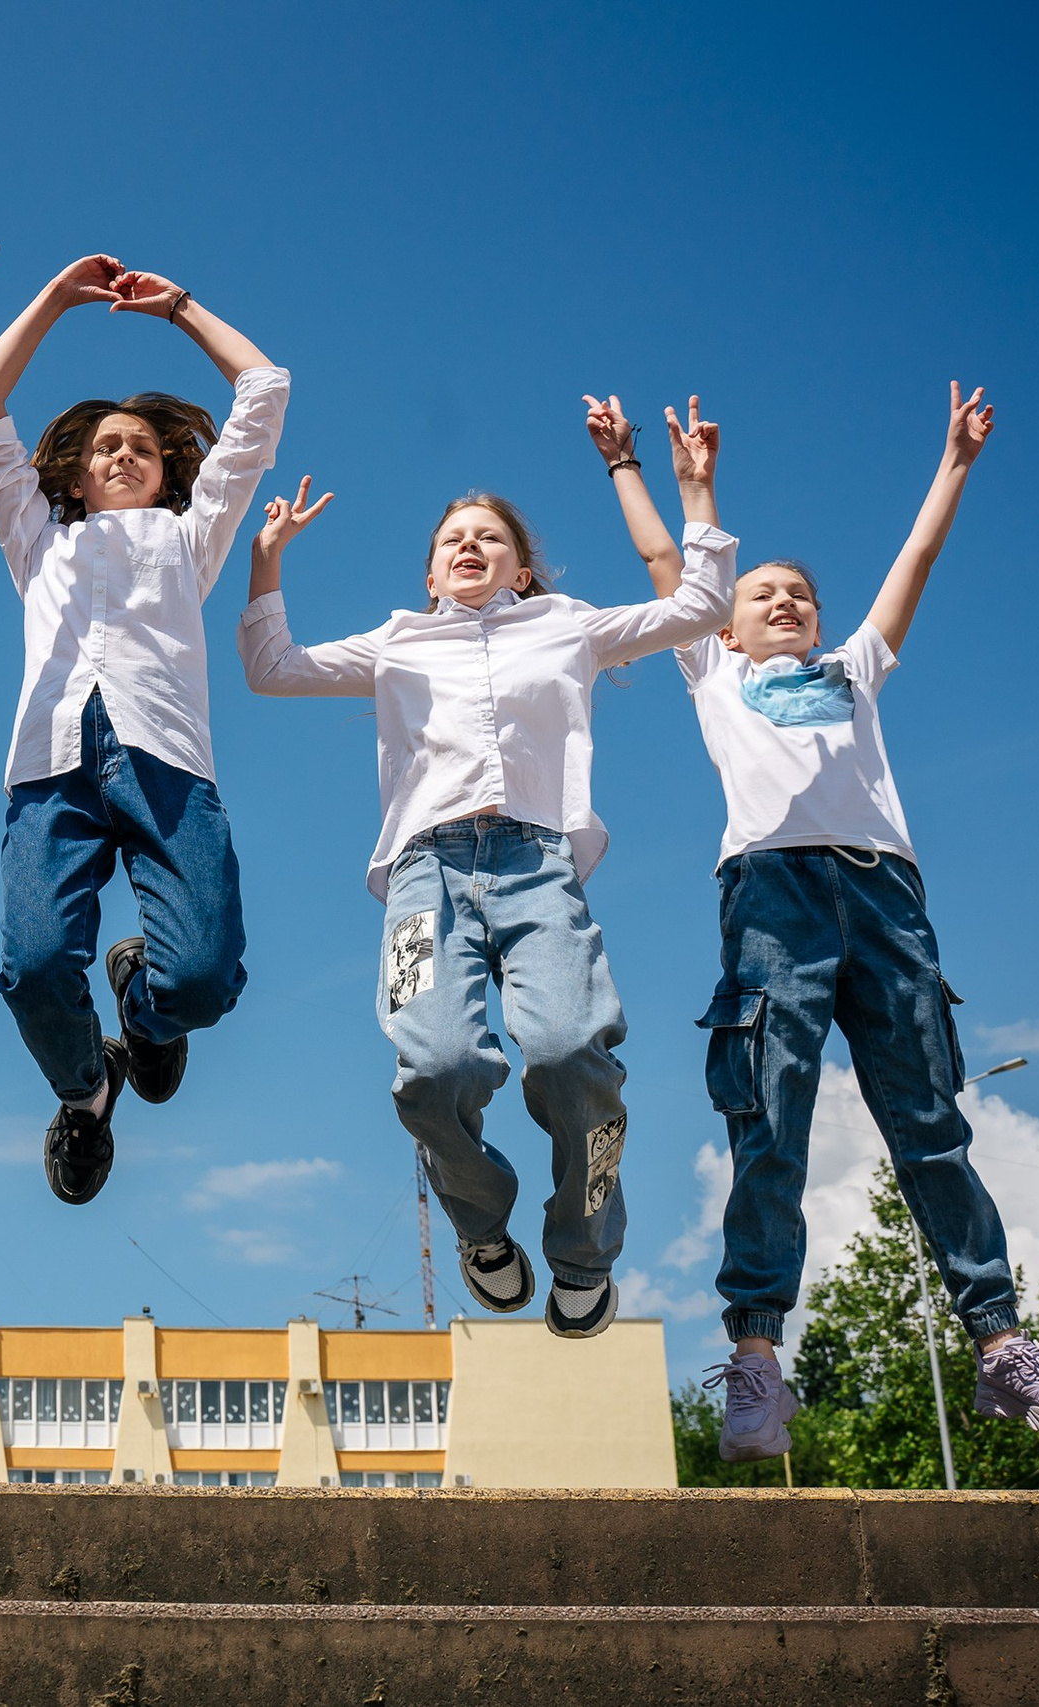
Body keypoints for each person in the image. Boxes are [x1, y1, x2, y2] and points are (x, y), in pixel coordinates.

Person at [237, 396, 733, 1338]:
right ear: (429, 569)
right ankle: (482, 1228)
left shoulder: (568, 626)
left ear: (522, 563)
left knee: (568, 1052)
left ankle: (584, 1250)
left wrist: (693, 490)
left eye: (490, 537)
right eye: (453, 539)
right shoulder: (397, 641)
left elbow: (702, 607)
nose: (470, 546)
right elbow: (271, 666)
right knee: (433, 1065)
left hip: (537, 868)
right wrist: (268, 560)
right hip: (425, 877)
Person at [679, 384, 1039, 1458]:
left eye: (797, 595)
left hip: (883, 898)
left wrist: (954, 463)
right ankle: (757, 1363)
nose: (780, 601)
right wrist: (687, 487)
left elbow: (910, 565)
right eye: (760, 593)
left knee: (929, 1124)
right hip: (772, 898)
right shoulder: (714, 674)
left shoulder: (853, 672)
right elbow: (671, 573)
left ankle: (1001, 1349)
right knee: (768, 1122)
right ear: (724, 627)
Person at [0, 253, 287, 1207]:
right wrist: (55, 299)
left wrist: (180, 307)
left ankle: (146, 1006)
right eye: (104, 444)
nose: (121, 453)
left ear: (168, 471)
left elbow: (264, 387)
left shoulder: (191, 538)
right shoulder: (38, 538)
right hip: (51, 767)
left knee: (201, 983)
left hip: (166, 764)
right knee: (30, 969)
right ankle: (86, 1089)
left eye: (141, 446)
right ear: (72, 468)